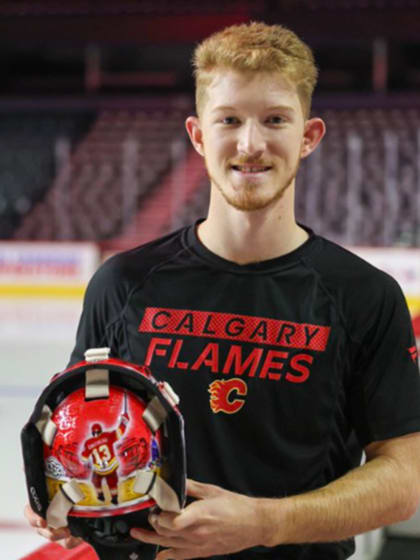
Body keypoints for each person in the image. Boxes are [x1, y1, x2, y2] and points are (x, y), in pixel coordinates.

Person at [25, 20, 420, 560]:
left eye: (275, 119)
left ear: (309, 136)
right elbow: (83, 430)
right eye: (229, 119)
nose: (251, 144)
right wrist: (69, 496)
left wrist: (264, 522)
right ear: (198, 135)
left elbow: (405, 477)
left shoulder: (363, 296)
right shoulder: (122, 284)